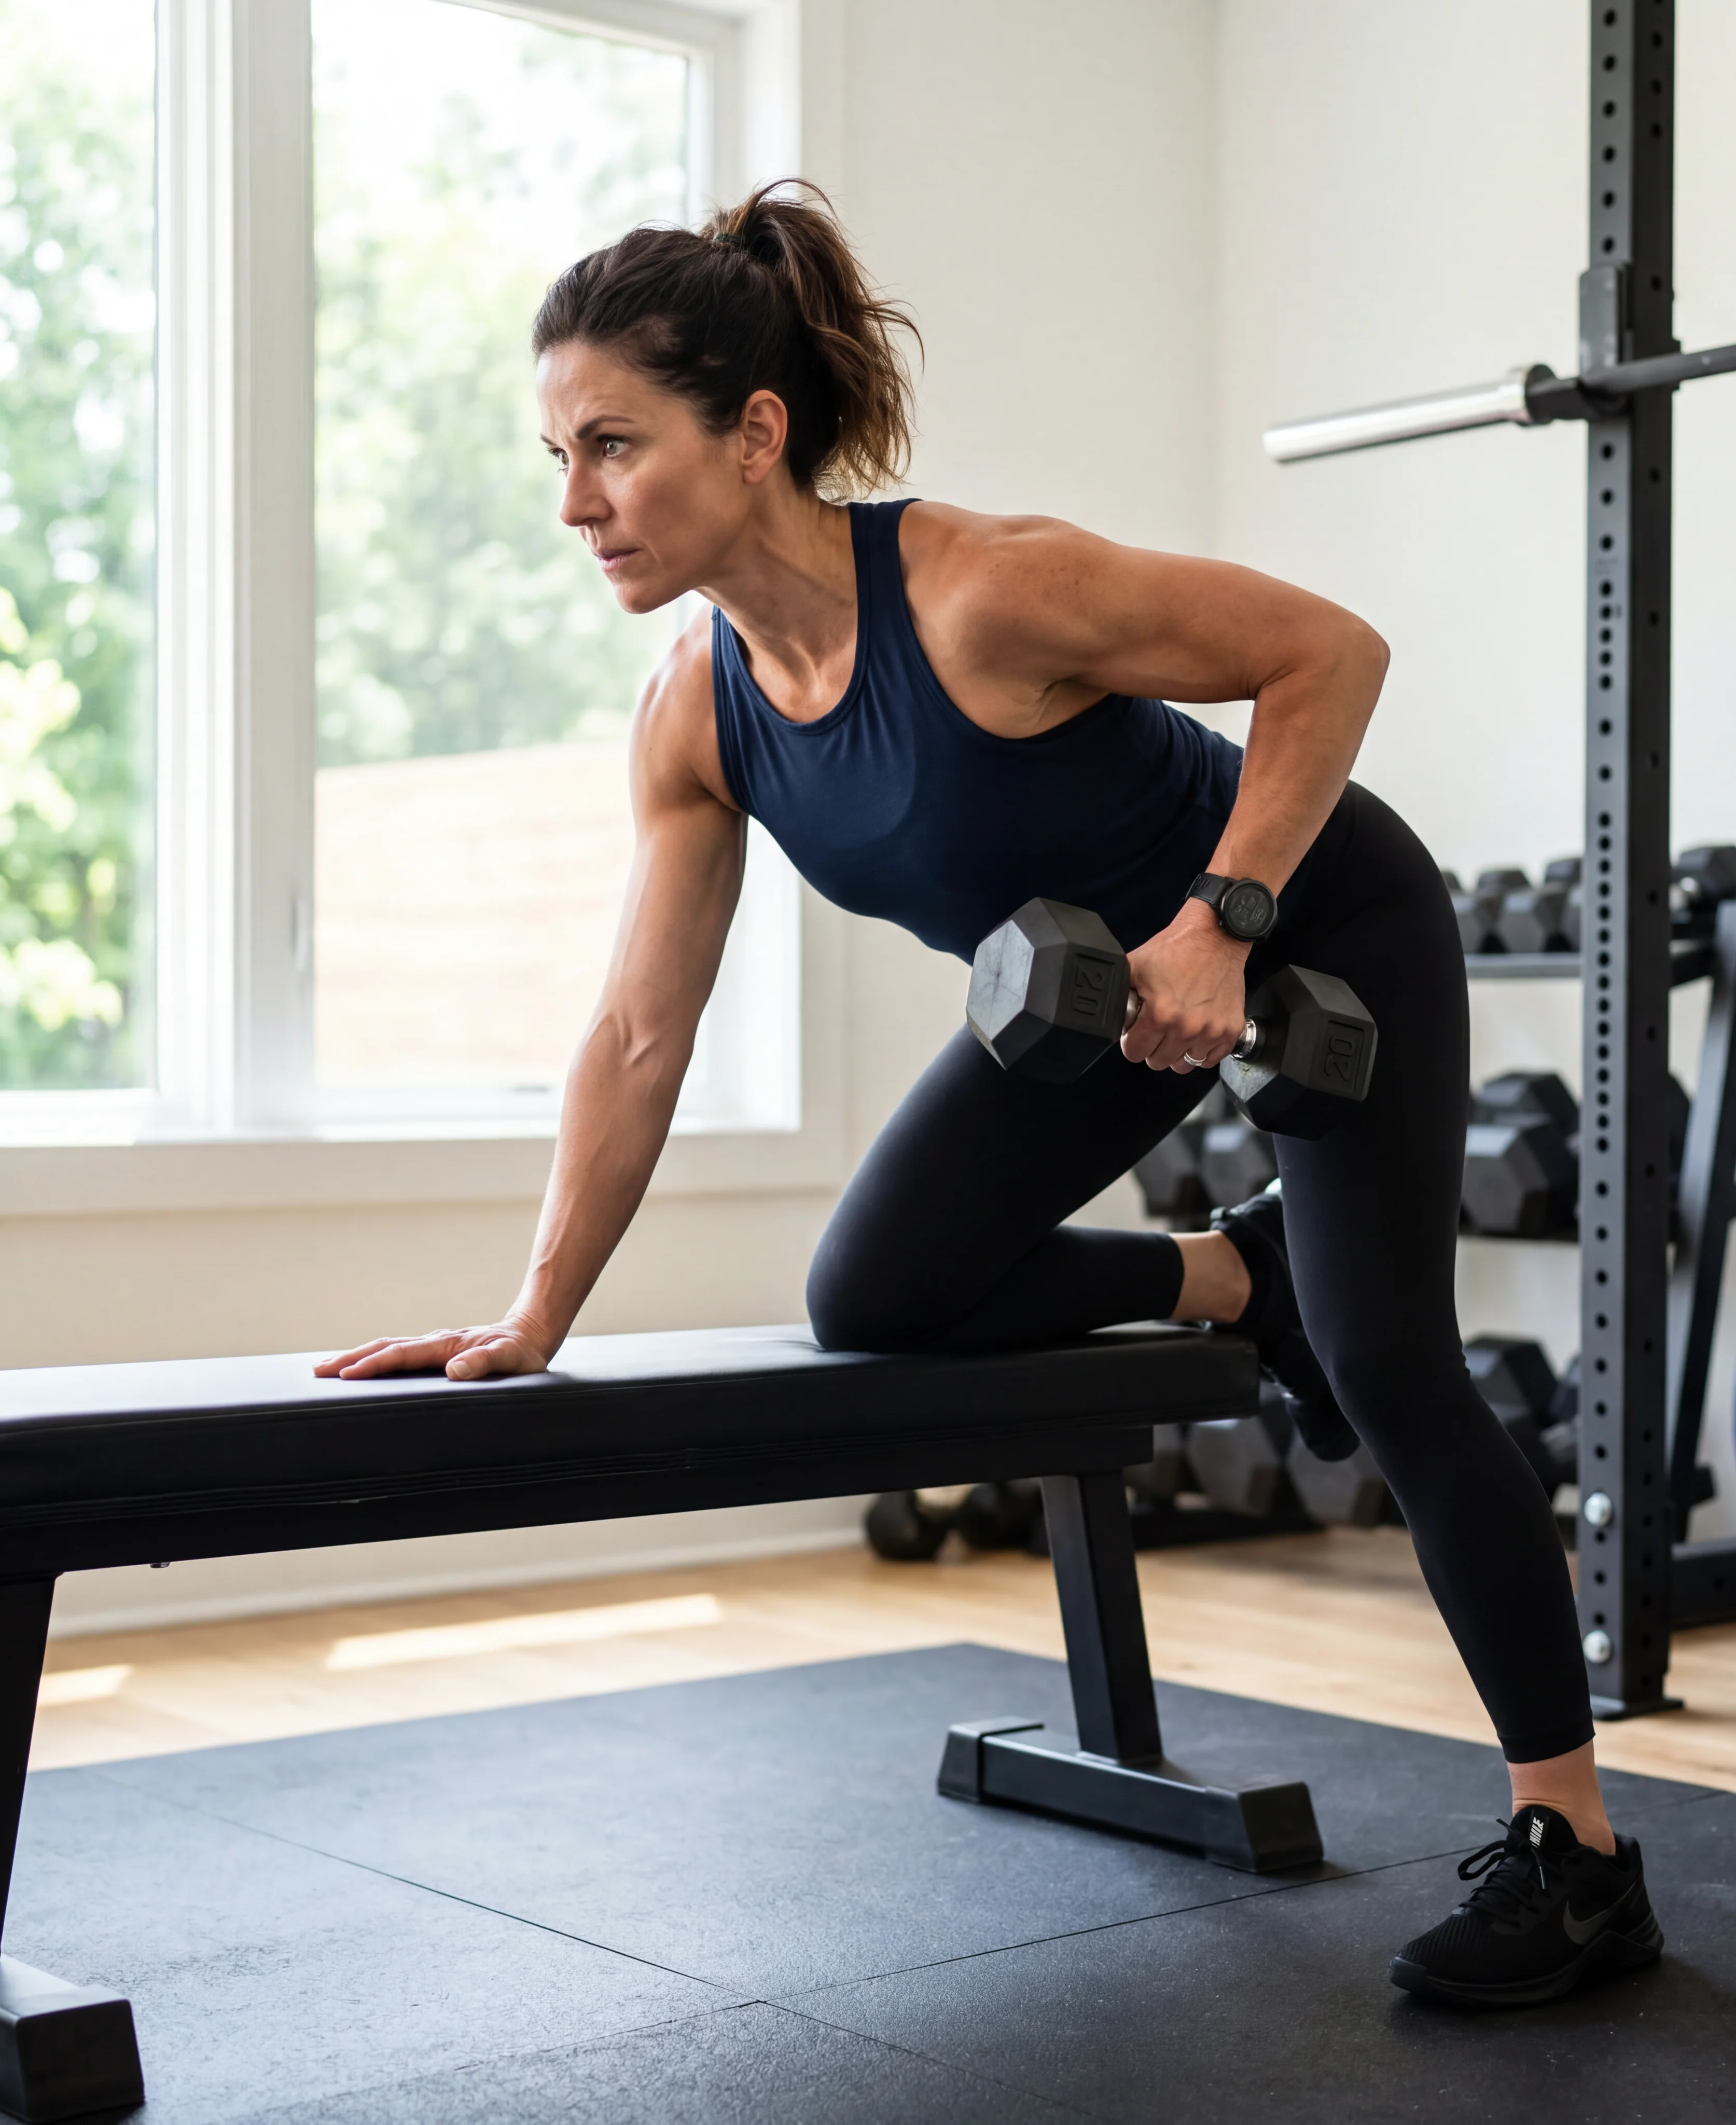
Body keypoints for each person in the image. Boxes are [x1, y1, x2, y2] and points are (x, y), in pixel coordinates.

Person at [318, 180, 1662, 2008]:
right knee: (872, 1297)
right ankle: (1235, 1280)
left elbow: (1327, 655)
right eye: (560, 456)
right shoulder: (698, 715)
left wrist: (1222, 920)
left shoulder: (977, 589)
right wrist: (538, 1311)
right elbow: (642, 1033)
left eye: (614, 447)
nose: (576, 504)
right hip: (1097, 1010)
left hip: (1322, 926)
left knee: (1397, 1365)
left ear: (755, 433)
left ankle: (1576, 1851)